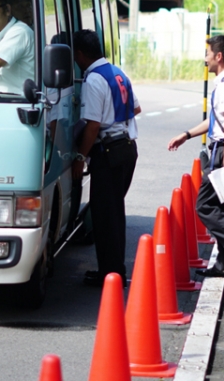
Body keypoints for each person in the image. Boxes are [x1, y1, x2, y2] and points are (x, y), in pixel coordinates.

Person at [167, 35, 224, 278]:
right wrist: (187, 134)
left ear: (219, 56)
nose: (205, 59)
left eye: (207, 54)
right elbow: (215, 120)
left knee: (204, 204)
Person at [71, 29, 141, 286]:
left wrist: (80, 156)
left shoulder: (93, 80)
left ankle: (111, 275)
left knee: (104, 217)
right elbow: (136, 107)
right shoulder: (118, 72)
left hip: (108, 153)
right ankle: (112, 271)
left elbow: (92, 125)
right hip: (127, 149)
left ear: (79, 54)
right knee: (114, 213)